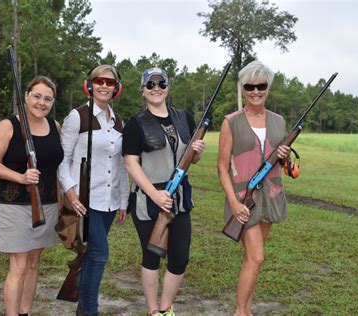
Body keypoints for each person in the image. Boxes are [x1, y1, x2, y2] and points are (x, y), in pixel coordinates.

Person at [122, 67, 205, 316]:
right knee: (152, 257)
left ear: (167, 87)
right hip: (148, 199)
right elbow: (130, 163)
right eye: (150, 84)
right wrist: (154, 194)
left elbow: (191, 159)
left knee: (179, 258)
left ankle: (166, 309)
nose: (156, 88)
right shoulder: (136, 124)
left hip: (179, 198)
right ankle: (152, 311)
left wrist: (197, 152)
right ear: (142, 90)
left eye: (161, 83)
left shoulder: (185, 118)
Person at [217, 60, 291, 316]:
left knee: (253, 259)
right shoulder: (231, 122)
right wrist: (235, 203)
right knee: (257, 257)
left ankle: (246, 310)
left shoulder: (279, 121)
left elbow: (280, 162)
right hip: (242, 198)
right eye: (250, 86)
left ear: (268, 87)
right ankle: (240, 312)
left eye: (261, 85)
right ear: (243, 88)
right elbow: (221, 167)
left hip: (270, 196)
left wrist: (284, 154)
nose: (256, 91)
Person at [0, 76, 63, 316]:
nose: (42, 102)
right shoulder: (8, 126)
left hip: (47, 205)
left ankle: (25, 312)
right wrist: (21, 178)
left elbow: (57, 169)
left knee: (33, 264)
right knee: (18, 266)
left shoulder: (55, 127)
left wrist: (62, 202)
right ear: (26, 96)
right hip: (14, 206)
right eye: (37, 96)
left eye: (47, 98)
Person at [58, 65, 129, 316]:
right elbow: (62, 161)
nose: (104, 86)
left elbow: (121, 164)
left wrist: (123, 200)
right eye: (99, 81)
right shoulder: (77, 117)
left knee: (90, 256)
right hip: (85, 201)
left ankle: (81, 307)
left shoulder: (118, 120)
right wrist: (71, 192)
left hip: (109, 201)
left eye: (110, 83)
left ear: (116, 89)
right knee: (99, 255)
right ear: (89, 85)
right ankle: (90, 311)